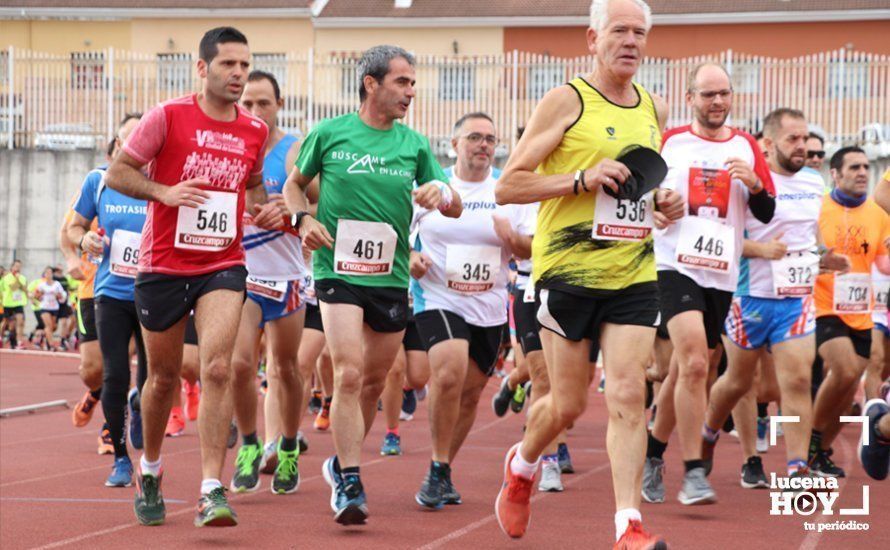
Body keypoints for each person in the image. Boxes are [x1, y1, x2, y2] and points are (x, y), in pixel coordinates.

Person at [492, 0, 683, 546]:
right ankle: (523, 467)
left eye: (640, 32)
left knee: (627, 392)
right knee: (567, 406)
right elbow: (510, 185)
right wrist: (582, 177)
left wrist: (664, 203)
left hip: (633, 270)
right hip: (567, 273)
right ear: (592, 38)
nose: (631, 41)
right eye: (619, 30)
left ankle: (629, 524)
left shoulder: (654, 108)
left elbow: (635, 188)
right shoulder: (566, 101)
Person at [283, 44, 462, 525]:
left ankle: (340, 462)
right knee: (345, 372)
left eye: (413, 83)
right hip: (337, 270)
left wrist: (440, 191)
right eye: (402, 82)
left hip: (390, 274)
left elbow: (455, 202)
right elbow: (293, 185)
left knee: (372, 381)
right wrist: (302, 219)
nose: (411, 91)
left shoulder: (414, 144)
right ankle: (352, 483)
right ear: (371, 83)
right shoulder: (331, 133)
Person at [106, 26, 274, 527]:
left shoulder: (254, 130)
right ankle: (151, 469)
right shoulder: (167, 116)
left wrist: (267, 209)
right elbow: (119, 173)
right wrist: (165, 193)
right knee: (161, 380)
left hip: (222, 262)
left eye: (244, 65)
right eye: (228, 64)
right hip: (162, 265)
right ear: (202, 68)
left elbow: (254, 184)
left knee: (218, 367)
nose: (238, 74)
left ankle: (209, 489)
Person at [646, 61, 775, 505]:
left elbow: (765, 212)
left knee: (687, 369)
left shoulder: (747, 145)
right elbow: (641, 199)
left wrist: (756, 184)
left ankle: (651, 453)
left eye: (723, 94)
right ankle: (694, 471)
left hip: (721, 273)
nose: (717, 102)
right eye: (707, 94)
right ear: (690, 99)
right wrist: (658, 203)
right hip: (673, 264)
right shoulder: (671, 143)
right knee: (696, 364)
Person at [702, 108, 836, 486]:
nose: (802, 146)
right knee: (738, 383)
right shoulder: (746, 182)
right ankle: (711, 431)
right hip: (750, 297)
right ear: (768, 142)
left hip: (796, 300)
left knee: (795, 381)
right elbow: (719, 240)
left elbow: (811, 238)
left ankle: (796, 468)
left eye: (805, 138)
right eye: (793, 139)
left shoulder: (813, 181)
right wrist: (761, 252)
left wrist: (826, 257)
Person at [411, 112, 527, 508]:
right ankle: (438, 470)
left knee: (471, 392)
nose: (483, 145)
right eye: (474, 137)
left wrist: (512, 237)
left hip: (489, 305)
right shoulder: (431, 186)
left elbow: (528, 248)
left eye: (490, 139)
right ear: (454, 144)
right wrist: (409, 255)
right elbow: (397, 229)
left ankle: (440, 468)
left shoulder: (508, 190)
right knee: (448, 372)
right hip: (439, 297)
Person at [229, 69, 307, 496]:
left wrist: (291, 210)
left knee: (285, 367)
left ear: (279, 105)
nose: (256, 111)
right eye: (248, 103)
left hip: (286, 274)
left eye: (264, 103)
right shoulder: (226, 146)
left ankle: (290, 445)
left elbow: (320, 203)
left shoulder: (294, 149)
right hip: (240, 273)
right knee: (240, 364)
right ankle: (249, 444)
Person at [68, 112, 148, 487]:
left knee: (155, 377)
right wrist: (83, 240)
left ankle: (144, 424)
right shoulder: (98, 180)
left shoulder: (163, 182)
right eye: (127, 141)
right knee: (113, 373)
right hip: (111, 293)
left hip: (155, 292)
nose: (134, 147)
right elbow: (74, 226)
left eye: (142, 139)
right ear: (117, 145)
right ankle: (119, 459)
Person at [809, 146, 890, 477]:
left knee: (846, 387)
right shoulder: (817, 208)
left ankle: (820, 452)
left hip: (860, 310)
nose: (861, 173)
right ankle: (811, 443)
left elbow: (883, 263)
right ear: (836, 174)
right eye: (854, 167)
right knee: (842, 370)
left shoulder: (879, 216)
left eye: (865, 167)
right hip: (822, 304)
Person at [34, 267, 66, 349]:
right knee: (48, 326)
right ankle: (51, 345)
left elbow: (62, 296)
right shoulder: (41, 285)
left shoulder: (57, 284)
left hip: (54, 308)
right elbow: (36, 297)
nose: (48, 274)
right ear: (44, 274)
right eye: (47, 273)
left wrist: (58, 295)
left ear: (52, 274)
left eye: (50, 273)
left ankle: (42, 337)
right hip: (44, 307)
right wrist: (40, 294)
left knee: (53, 327)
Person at [2, 260, 27, 349]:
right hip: (8, 303)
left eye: (19, 266)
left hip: (18, 303)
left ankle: (19, 341)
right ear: (12, 267)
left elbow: (24, 289)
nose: (18, 268)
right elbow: (13, 288)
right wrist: (17, 279)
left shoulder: (23, 277)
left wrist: (19, 281)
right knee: (9, 324)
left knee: (20, 321)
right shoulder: (7, 278)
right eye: (16, 266)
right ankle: (7, 339)